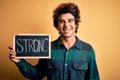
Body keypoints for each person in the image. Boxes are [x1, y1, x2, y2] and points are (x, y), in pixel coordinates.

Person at [9, 2, 100, 80]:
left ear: (76, 24)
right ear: (57, 25)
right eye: (62, 21)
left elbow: (94, 78)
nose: (66, 25)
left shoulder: (88, 50)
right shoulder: (47, 48)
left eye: (70, 21)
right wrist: (18, 61)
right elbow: (36, 74)